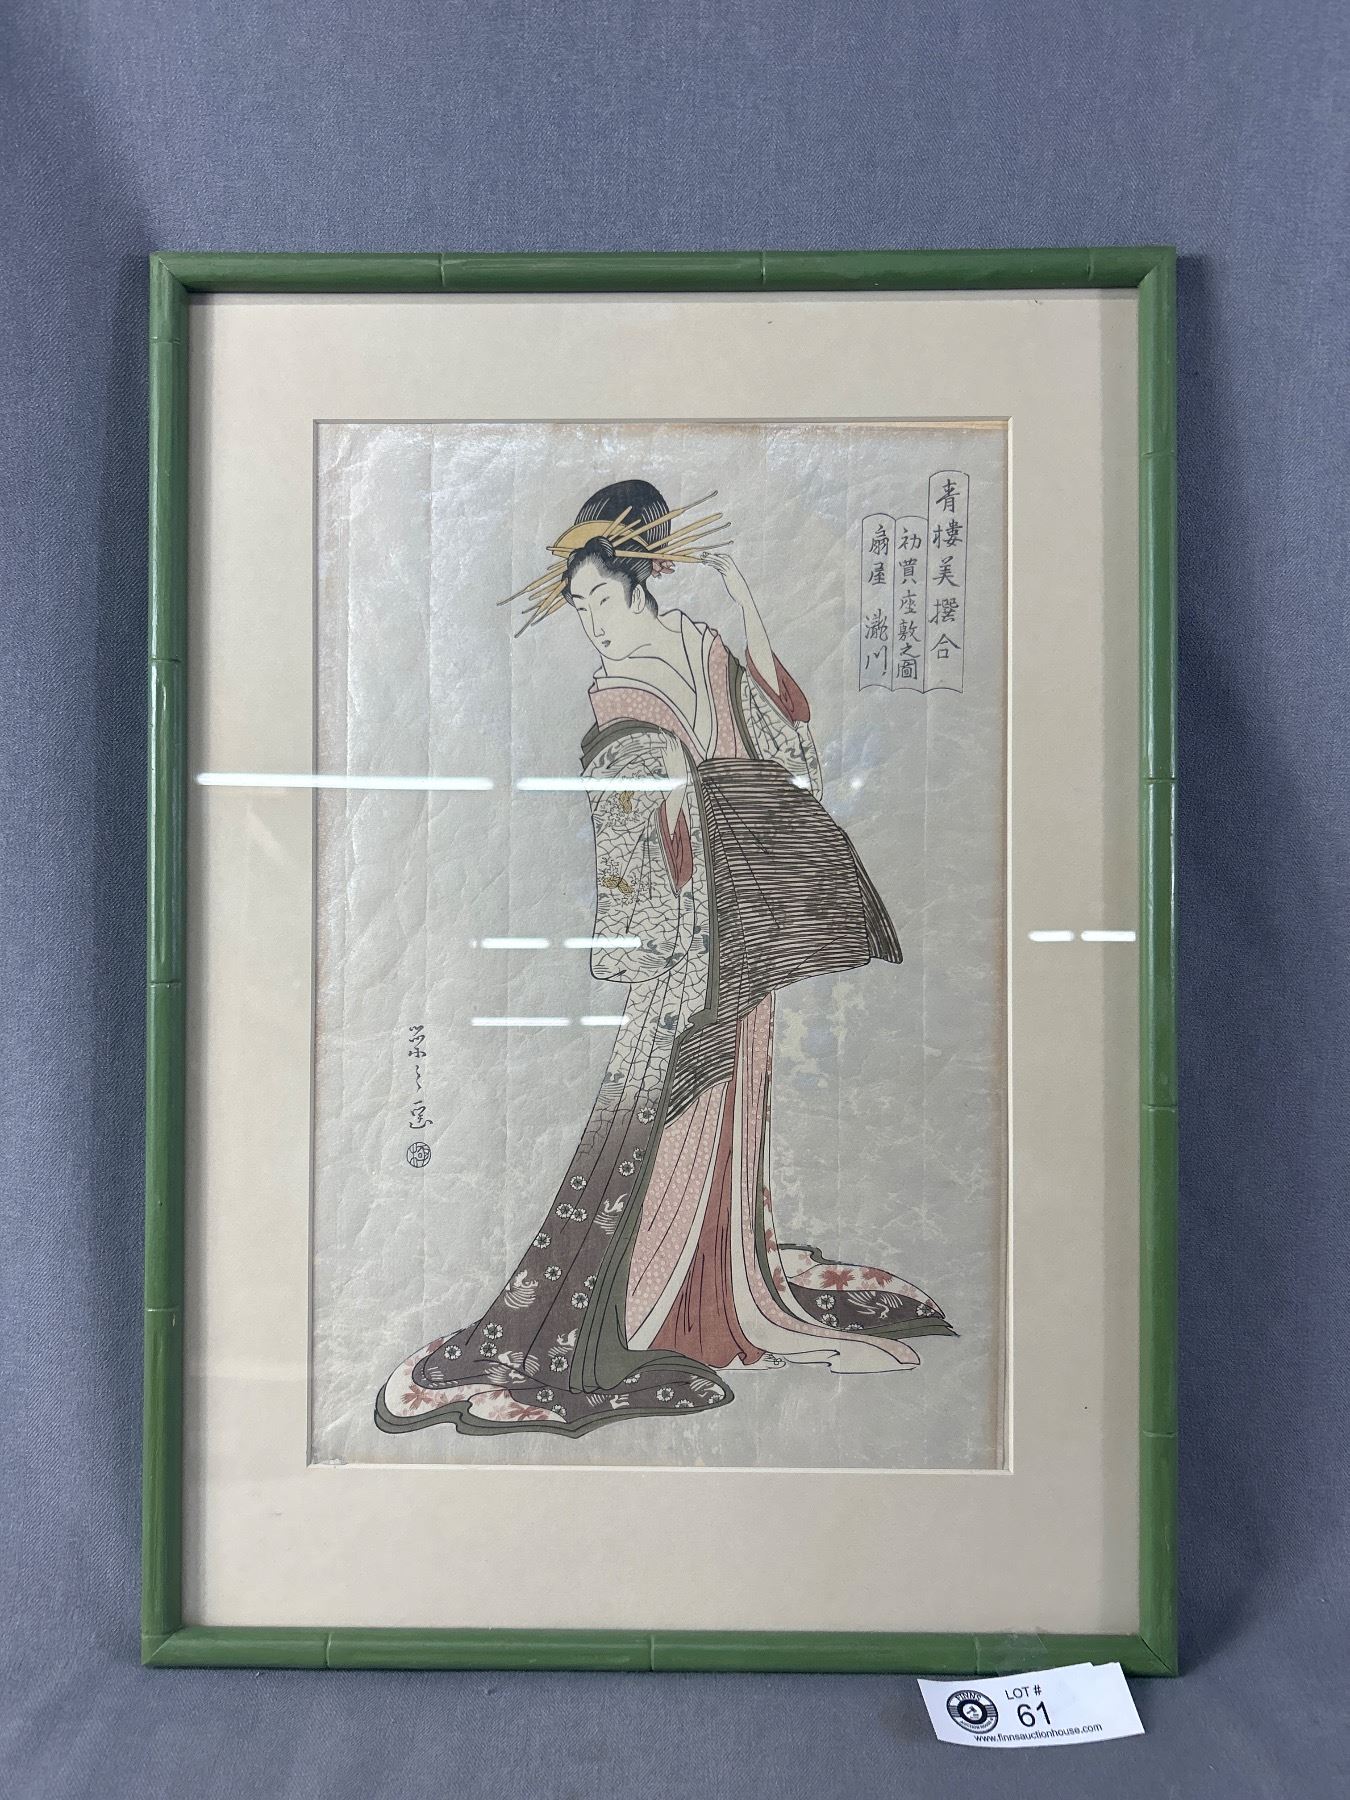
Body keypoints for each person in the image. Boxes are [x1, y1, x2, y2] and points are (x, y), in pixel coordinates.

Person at [375, 479, 951, 1438]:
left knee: (735, 1111)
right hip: (680, 940)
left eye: (600, 597)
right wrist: (643, 947)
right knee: (659, 1116)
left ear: (640, 577)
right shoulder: (615, 692)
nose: (592, 621)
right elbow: (627, 838)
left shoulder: (704, 648)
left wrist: (747, 599)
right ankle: (640, 1311)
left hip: (747, 916)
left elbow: (791, 747)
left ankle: (732, 1297)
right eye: (579, 606)